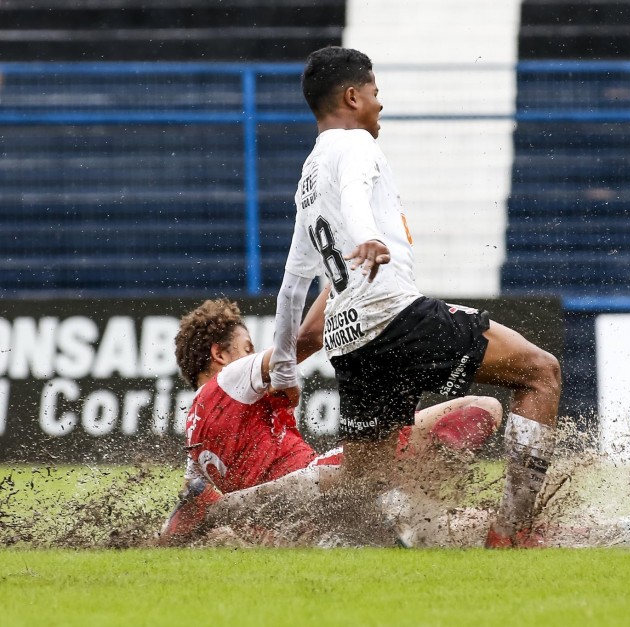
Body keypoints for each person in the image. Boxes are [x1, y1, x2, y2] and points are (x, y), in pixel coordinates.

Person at [269, 46, 562, 548]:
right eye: (376, 93)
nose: (380, 105)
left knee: (360, 489)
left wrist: (282, 369)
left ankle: (242, 517)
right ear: (352, 95)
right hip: (395, 317)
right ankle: (511, 533)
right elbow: (359, 195)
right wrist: (368, 236)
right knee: (541, 372)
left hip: (350, 344)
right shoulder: (356, 145)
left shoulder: (308, 180)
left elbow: (294, 282)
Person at [159, 293, 502, 544]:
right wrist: (341, 277)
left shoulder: (195, 442)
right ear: (219, 355)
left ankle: (411, 512)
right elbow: (299, 346)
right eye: (247, 348)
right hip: (324, 484)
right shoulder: (232, 378)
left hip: (304, 527)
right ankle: (418, 502)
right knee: (480, 407)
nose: (252, 356)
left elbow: (182, 512)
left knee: (460, 528)